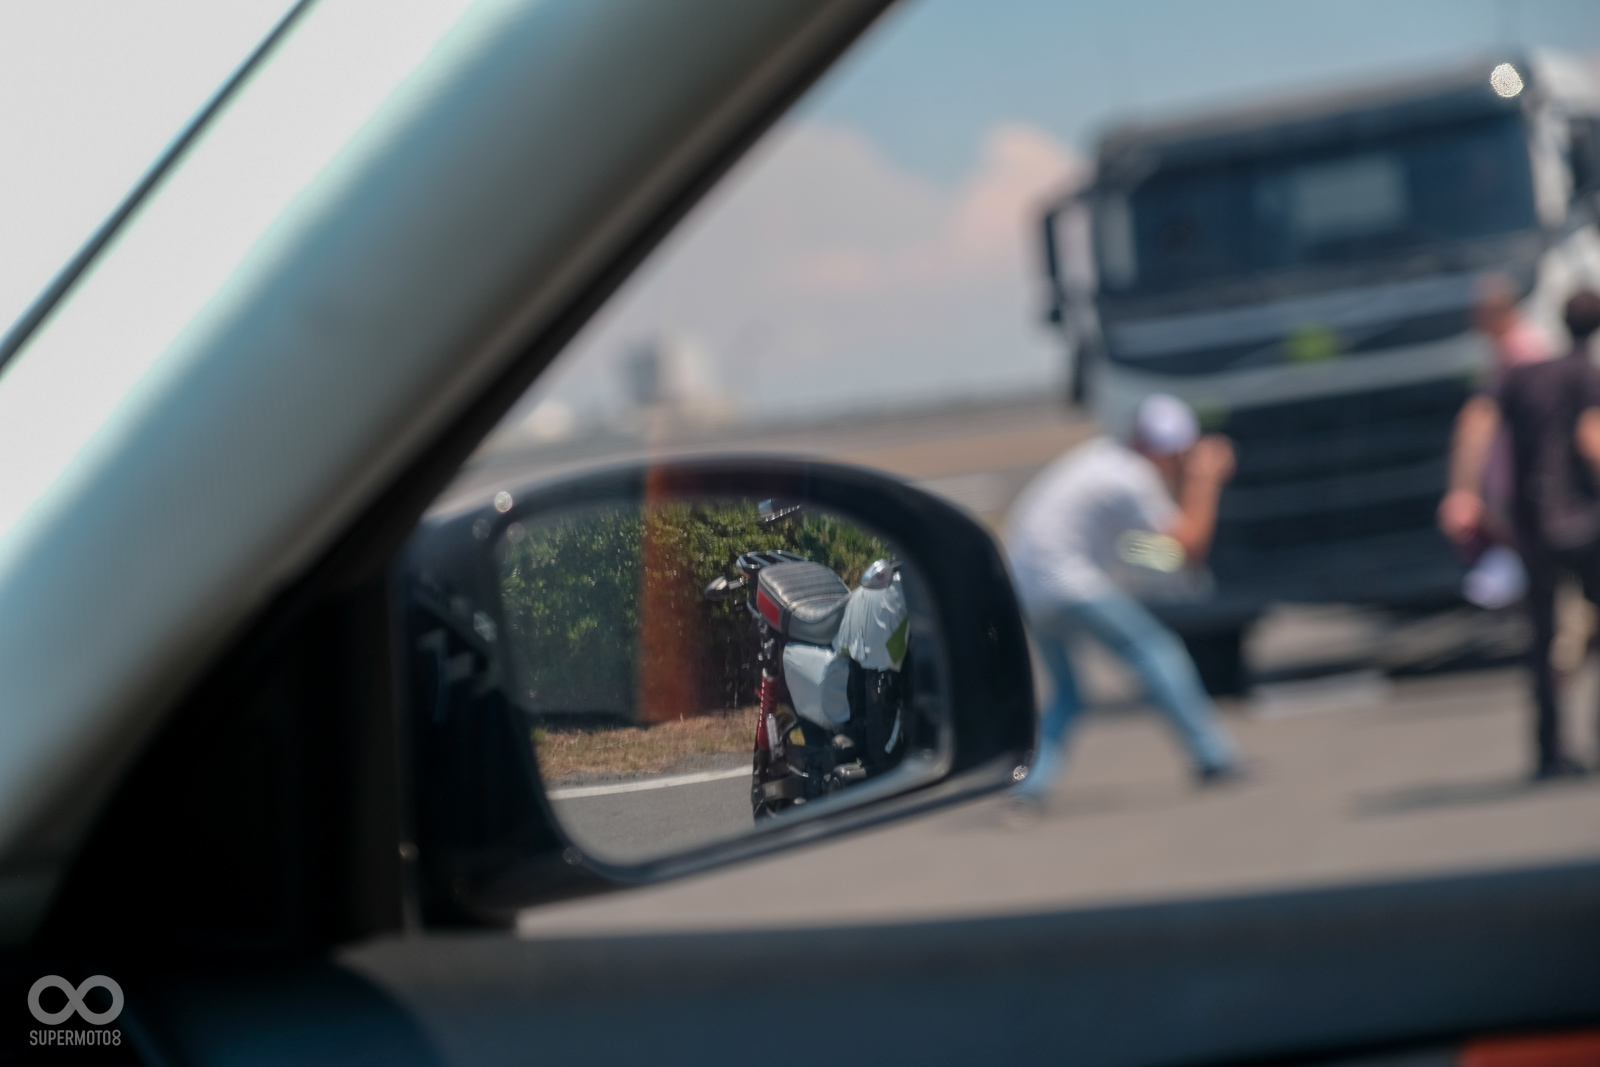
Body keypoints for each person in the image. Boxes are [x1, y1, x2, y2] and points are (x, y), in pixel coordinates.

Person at [1007, 393, 1242, 805]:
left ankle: (1030, 786)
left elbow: (1135, 549)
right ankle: (1213, 756)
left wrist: (1172, 563)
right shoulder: (1133, 477)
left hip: (1028, 585)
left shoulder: (1102, 460)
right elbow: (1185, 551)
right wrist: (1205, 480)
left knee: (1068, 693)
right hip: (1065, 580)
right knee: (1157, 651)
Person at [1439, 289, 1600, 780]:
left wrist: (1464, 492)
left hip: (1529, 520)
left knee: (1542, 635)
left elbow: (1475, 424)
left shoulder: (1519, 369)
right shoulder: (1580, 372)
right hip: (1582, 520)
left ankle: (1549, 747)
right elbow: (1592, 439)